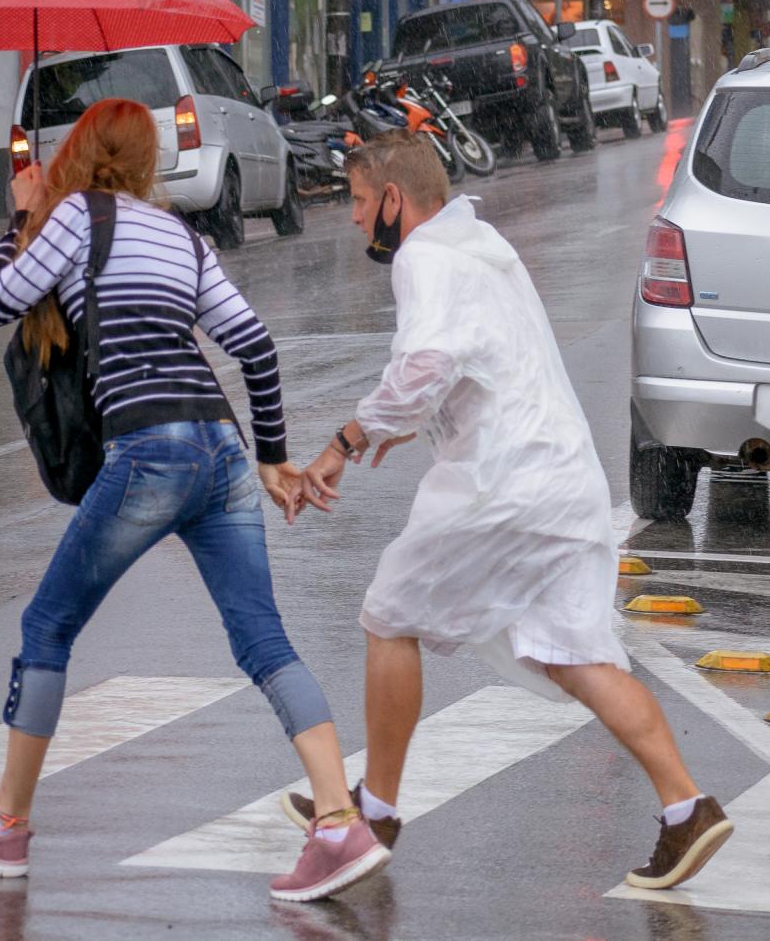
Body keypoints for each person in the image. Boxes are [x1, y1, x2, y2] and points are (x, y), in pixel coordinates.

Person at [0, 99, 389, 902]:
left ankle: (5, 823)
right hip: (221, 452)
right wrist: (271, 457)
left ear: (84, 154)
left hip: (150, 449)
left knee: (47, 626)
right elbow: (255, 348)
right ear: (145, 162)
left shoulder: (70, 218)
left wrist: (18, 217)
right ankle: (339, 819)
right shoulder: (183, 239)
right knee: (263, 641)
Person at [279, 130, 733, 889]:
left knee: (388, 615)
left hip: (504, 482)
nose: (355, 219)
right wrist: (404, 420)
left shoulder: (424, 257)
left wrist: (345, 441)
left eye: (360, 202)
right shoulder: (481, 245)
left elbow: (427, 363)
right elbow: (470, 358)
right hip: (563, 480)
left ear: (394, 199)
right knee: (577, 654)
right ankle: (688, 810)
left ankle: (375, 811)